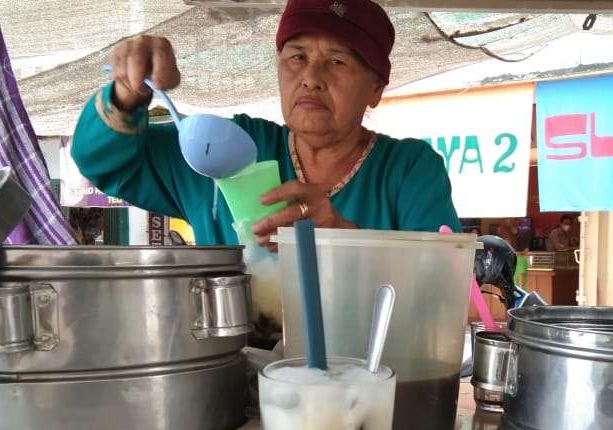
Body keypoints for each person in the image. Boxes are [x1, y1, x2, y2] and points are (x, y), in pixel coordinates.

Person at [70, 0, 461, 250]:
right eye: (296, 57)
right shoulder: (225, 149)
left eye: (337, 61)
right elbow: (106, 164)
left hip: (364, 377)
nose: (311, 77)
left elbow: (440, 288)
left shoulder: (409, 169)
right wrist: (126, 94)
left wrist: (344, 242)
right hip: (231, 374)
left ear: (375, 88)